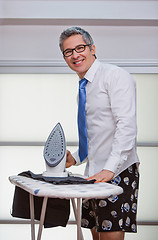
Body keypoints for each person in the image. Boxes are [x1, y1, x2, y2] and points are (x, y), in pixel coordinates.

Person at [59, 27, 140, 240]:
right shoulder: (83, 88)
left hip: (118, 171)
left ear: (92, 48)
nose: (75, 55)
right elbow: (96, 136)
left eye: (80, 48)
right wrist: (75, 158)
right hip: (93, 174)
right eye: (68, 52)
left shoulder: (115, 76)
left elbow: (127, 126)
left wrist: (110, 170)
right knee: (95, 236)